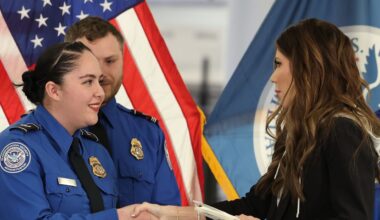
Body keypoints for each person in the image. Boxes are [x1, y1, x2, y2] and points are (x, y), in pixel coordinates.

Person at [131, 18, 380, 220]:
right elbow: (256, 206)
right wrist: (170, 214)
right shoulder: (301, 136)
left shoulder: (343, 130)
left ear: (307, 69)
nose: (273, 77)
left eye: (278, 63)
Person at [0, 42, 146, 219]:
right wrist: (117, 218)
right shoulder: (17, 149)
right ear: (54, 91)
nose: (100, 92)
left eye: (99, 82)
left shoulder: (96, 150)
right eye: (88, 82)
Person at [64, 16, 181, 207]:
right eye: (90, 61)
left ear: (123, 61)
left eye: (110, 61)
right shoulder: (44, 133)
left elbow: (167, 212)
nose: (100, 73)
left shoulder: (148, 133)